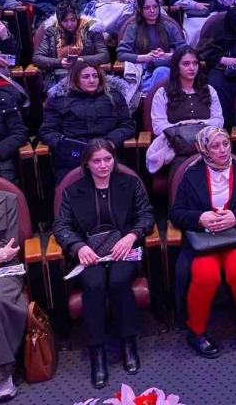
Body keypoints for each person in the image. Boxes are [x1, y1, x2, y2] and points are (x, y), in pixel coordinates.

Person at [170, 127, 236, 357]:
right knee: (206, 276)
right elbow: (177, 213)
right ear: (204, 150)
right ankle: (196, 332)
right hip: (204, 240)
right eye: (215, 146)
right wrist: (200, 218)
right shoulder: (191, 175)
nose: (222, 150)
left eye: (226, 144)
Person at [52, 139, 152, 388]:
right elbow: (61, 226)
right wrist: (78, 247)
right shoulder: (73, 190)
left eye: (107, 159)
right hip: (91, 254)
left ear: (114, 159)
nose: (103, 165)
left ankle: (128, 342)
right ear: (87, 163)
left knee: (118, 281)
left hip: (122, 250)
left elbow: (146, 215)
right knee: (94, 285)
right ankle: (97, 351)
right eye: (96, 161)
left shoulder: (130, 183)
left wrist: (132, 236)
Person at [39, 62, 135, 182]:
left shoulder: (114, 97)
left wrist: (111, 141)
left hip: (106, 151)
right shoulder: (58, 100)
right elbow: (47, 131)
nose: (92, 80)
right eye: (85, 77)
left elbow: (128, 125)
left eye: (95, 76)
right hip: (74, 156)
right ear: (75, 80)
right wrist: (65, 145)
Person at [147, 46, 224, 174]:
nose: (192, 68)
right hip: (176, 148)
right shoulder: (163, 93)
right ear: (176, 67)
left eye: (195, 63)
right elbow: (158, 126)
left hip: (207, 144)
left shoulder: (209, 90)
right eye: (186, 64)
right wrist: (182, 127)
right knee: (184, 166)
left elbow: (218, 121)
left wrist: (197, 124)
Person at [0, 178, 27, 401]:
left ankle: (2, 375)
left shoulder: (9, 200)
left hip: (4, 271)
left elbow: (10, 244)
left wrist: (0, 256)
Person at [33, 0, 108, 92]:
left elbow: (104, 55)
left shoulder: (91, 29)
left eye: (73, 20)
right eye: (65, 21)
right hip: (59, 76)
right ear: (59, 20)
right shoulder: (51, 31)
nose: (69, 24)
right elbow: (37, 58)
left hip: (86, 75)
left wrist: (82, 60)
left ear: (78, 17)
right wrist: (60, 62)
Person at [116, 0, 185, 92]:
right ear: (140, 10)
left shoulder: (168, 26)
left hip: (165, 68)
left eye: (155, 7)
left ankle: (149, 96)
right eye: (147, 8)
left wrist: (166, 55)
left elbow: (184, 50)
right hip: (143, 73)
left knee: (162, 72)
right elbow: (121, 54)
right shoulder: (133, 28)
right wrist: (146, 57)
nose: (152, 11)